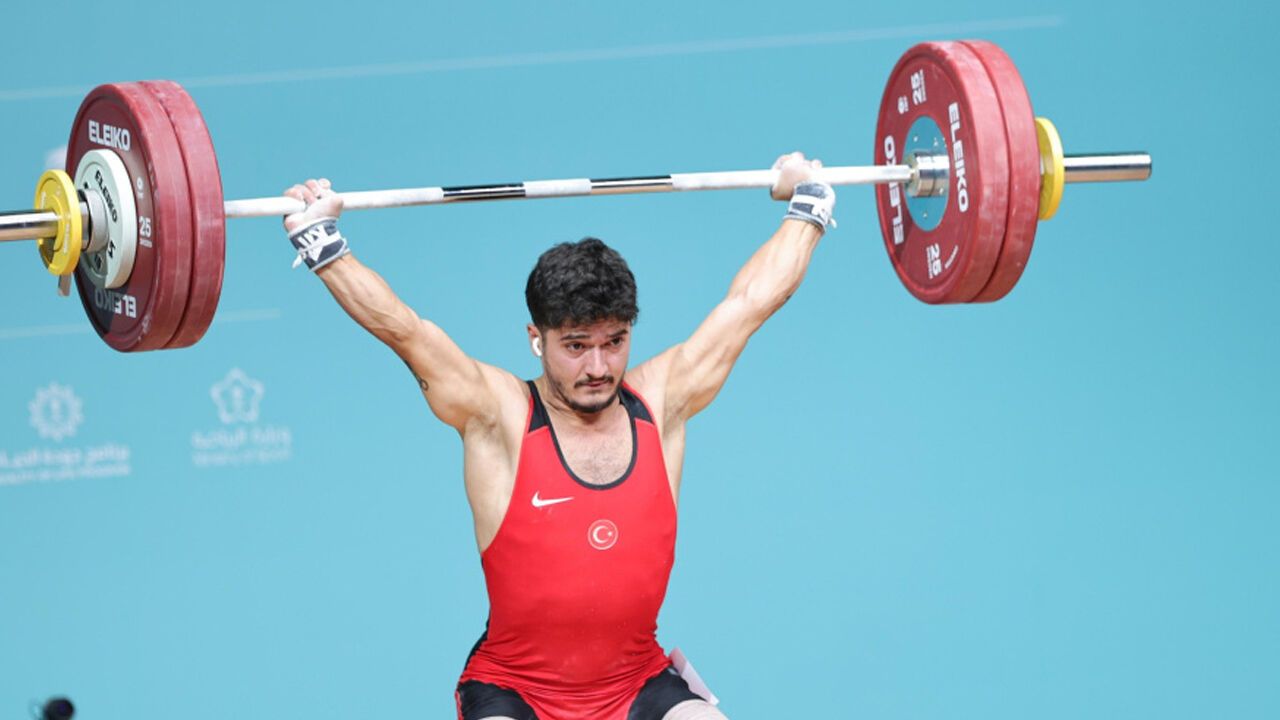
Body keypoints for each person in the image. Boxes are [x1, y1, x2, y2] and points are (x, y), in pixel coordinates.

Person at [282, 152, 836, 720]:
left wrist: (808, 203)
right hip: (514, 689)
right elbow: (405, 331)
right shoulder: (497, 415)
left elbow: (749, 305)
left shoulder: (662, 402)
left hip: (635, 684)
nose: (598, 367)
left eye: (614, 342)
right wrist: (321, 240)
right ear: (536, 338)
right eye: (575, 346)